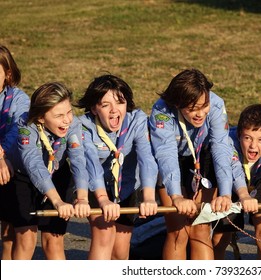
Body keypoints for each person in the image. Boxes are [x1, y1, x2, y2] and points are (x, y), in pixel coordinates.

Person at [149, 68, 234, 260]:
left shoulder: (216, 104)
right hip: (171, 157)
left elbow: (221, 148)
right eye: (192, 108)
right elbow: (165, 153)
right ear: (177, 104)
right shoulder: (161, 111)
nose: (200, 113)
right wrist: (176, 196)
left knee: (200, 228)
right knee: (178, 231)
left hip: (202, 156)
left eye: (204, 106)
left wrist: (226, 192)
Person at [77, 74, 158, 260]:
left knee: (121, 253)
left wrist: (149, 198)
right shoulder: (83, 126)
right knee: (104, 236)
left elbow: (146, 159)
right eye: (105, 105)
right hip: (95, 187)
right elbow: (91, 165)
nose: (114, 111)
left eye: (120, 103)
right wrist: (104, 200)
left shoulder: (137, 120)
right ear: (94, 109)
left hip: (126, 187)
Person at [9, 81, 90, 259]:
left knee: (53, 241)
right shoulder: (25, 124)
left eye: (69, 112)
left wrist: (82, 198)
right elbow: (34, 164)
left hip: (57, 174)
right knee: (26, 239)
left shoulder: (73, 124)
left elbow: (78, 160)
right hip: (24, 178)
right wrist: (57, 202)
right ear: (40, 117)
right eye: (59, 115)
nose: (67, 119)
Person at [212, 104, 261, 260]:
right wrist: (243, 195)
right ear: (239, 135)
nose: (253, 145)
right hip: (232, 183)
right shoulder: (228, 140)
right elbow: (234, 170)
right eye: (247, 138)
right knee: (220, 239)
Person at [0, 45, 30, 259]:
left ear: (8, 74)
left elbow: (16, 131)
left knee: (9, 238)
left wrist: (1, 157)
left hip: (10, 168)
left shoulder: (19, 99)